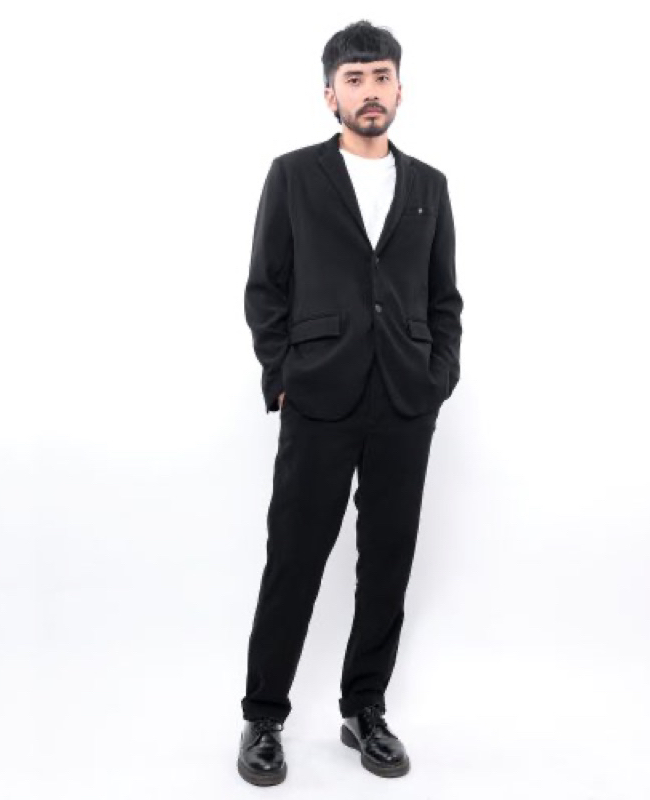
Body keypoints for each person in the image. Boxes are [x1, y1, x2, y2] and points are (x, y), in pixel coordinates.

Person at [237, 19, 464, 786]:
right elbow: (266, 288)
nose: (370, 91)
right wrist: (284, 375)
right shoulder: (294, 176)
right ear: (329, 95)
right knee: (295, 561)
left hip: (404, 401)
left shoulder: (430, 186)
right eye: (355, 79)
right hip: (320, 397)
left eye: (381, 77)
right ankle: (263, 717)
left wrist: (438, 377)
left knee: (388, 565)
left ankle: (364, 708)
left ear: (400, 88)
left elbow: (444, 298)